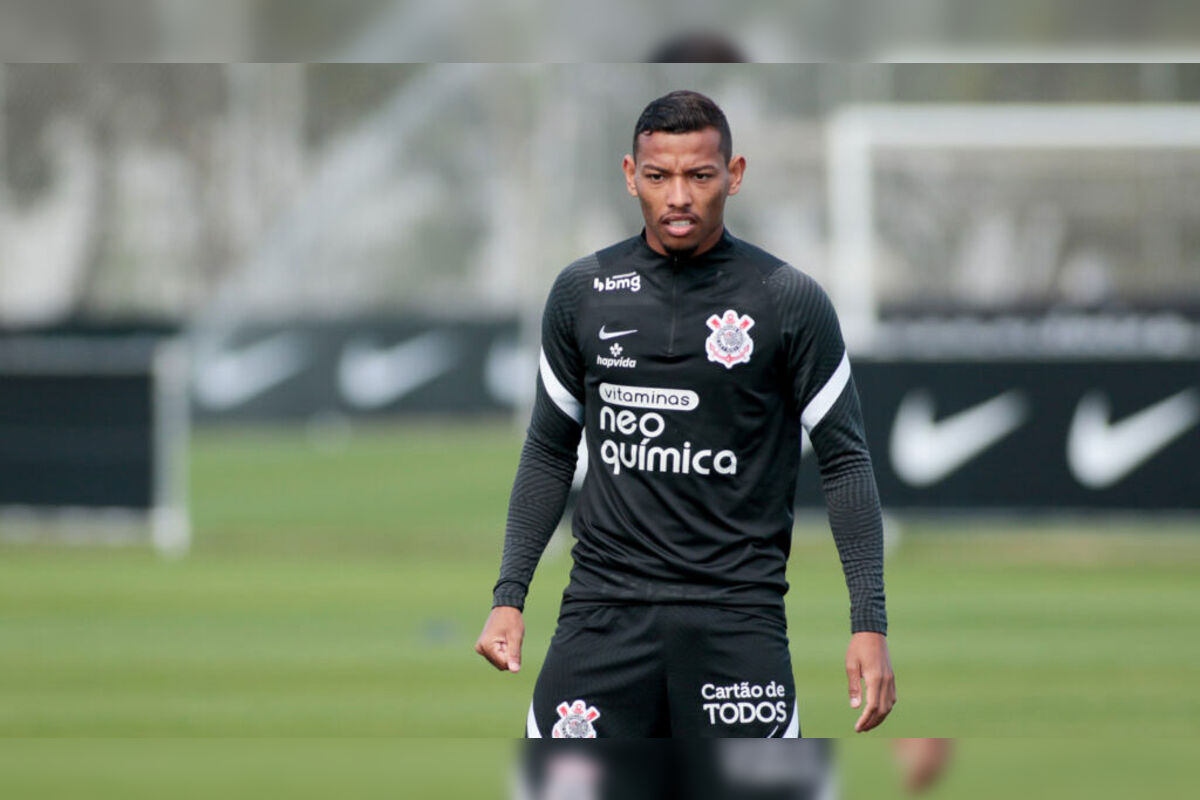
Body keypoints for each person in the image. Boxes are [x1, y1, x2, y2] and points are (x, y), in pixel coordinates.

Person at [475, 90, 894, 737]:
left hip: (737, 622)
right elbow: (549, 449)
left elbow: (845, 460)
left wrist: (868, 622)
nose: (678, 197)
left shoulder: (789, 302)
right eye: (658, 176)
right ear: (628, 176)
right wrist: (509, 598)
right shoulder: (581, 294)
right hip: (600, 619)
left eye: (699, 175)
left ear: (734, 174)